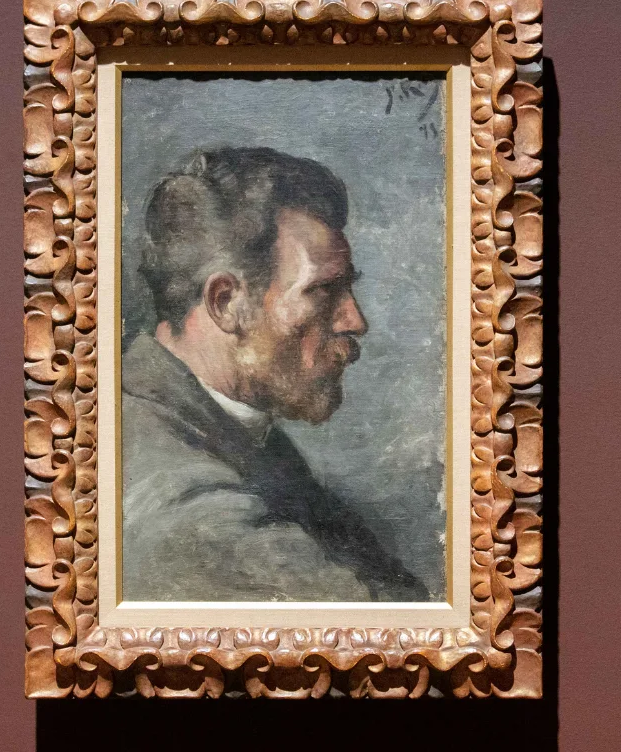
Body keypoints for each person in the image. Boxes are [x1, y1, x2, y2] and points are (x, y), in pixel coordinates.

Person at [120, 146, 429, 602]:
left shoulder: (238, 434)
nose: (354, 321)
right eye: (323, 291)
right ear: (227, 303)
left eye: (347, 289)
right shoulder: (175, 492)